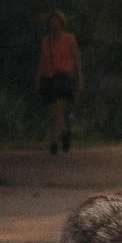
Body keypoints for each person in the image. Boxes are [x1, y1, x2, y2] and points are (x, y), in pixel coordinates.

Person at [37, 9, 83, 156]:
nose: (54, 23)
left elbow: (76, 60)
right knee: (53, 113)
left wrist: (79, 79)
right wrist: (38, 79)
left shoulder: (69, 39)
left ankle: (54, 142)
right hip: (48, 77)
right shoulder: (46, 41)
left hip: (64, 77)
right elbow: (42, 62)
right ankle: (63, 133)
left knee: (60, 108)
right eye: (52, 21)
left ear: (62, 23)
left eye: (57, 21)